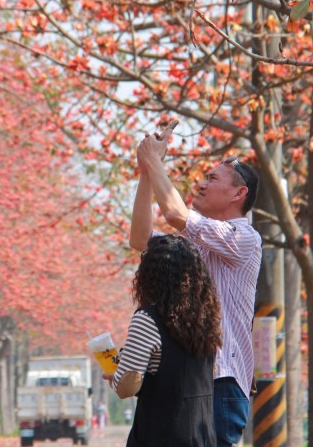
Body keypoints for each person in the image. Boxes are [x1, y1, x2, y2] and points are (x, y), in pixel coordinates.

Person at [129, 120, 261, 447]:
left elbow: (175, 214)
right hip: (194, 379)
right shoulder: (195, 244)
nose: (201, 185)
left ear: (238, 192)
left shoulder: (244, 237)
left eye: (212, 178)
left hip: (222, 382)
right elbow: (140, 238)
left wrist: (156, 162)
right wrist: (147, 172)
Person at [108, 234, 222, 446]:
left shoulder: (147, 319)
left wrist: (117, 375)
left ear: (149, 276)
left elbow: (126, 387)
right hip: (203, 436)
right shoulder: (207, 321)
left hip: (161, 436)